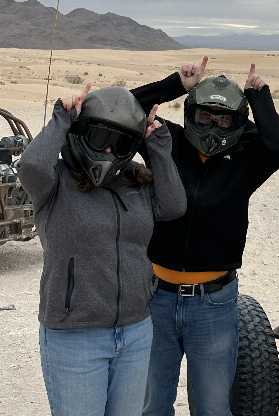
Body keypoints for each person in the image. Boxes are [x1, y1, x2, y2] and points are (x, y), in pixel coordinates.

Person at [130, 59, 279, 416]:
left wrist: (258, 97)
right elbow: (124, 110)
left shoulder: (247, 157)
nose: (212, 125)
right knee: (151, 405)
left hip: (214, 303)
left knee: (212, 407)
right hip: (156, 297)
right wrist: (176, 84)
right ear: (190, 113)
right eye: (204, 116)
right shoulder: (167, 141)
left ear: (238, 122)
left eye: (223, 119)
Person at [17, 84, 187, 416]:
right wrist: (63, 118)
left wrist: (156, 146)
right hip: (75, 336)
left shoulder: (135, 182)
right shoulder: (55, 183)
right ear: (81, 133)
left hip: (136, 330)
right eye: (99, 137)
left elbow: (174, 205)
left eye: (120, 143)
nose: (109, 149)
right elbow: (30, 167)